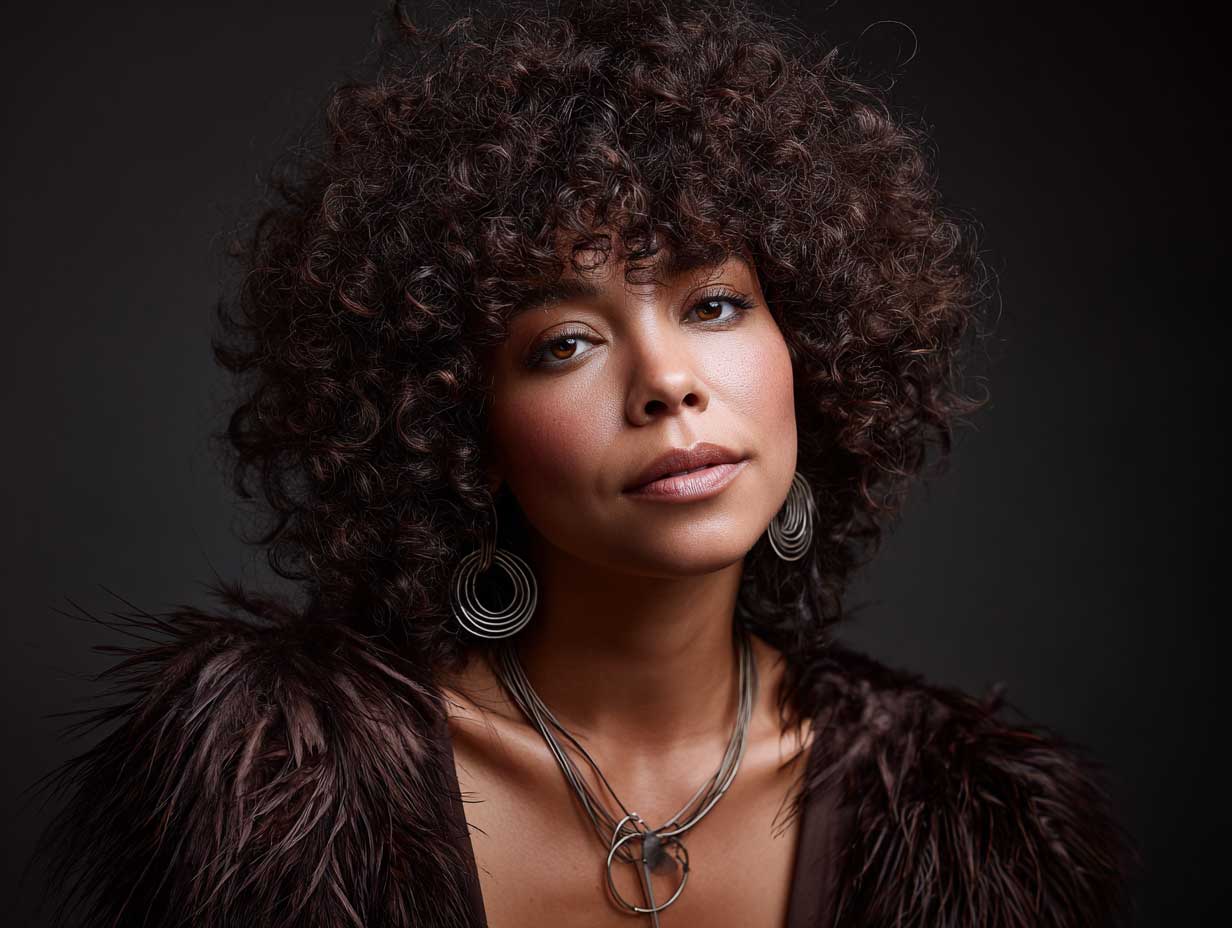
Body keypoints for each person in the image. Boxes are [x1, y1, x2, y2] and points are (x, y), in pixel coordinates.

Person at [28, 1, 1138, 925]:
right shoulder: (273, 802)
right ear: (456, 425)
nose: (665, 382)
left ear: (810, 345)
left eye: (713, 304)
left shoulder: (983, 835)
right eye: (564, 343)